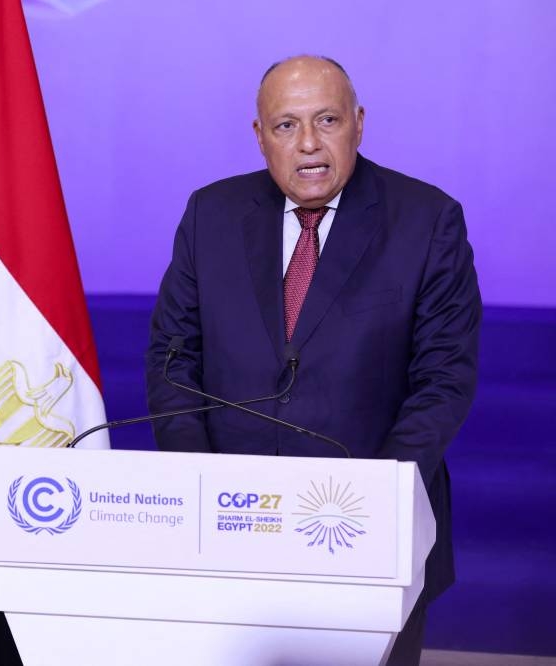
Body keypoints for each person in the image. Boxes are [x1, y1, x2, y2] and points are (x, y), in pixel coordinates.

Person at [145, 56, 480, 664]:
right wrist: (203, 491)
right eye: (286, 125)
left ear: (358, 123)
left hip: (370, 533)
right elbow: (173, 361)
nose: (308, 144)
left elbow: (443, 378)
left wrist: (371, 500)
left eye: (326, 120)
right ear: (259, 135)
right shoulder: (209, 215)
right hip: (229, 533)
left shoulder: (426, 220)